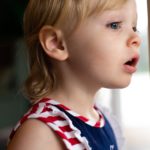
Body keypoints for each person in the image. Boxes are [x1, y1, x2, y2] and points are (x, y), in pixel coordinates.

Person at [7, 0, 141, 149]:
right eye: (114, 25)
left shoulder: (104, 120)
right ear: (57, 43)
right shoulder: (40, 134)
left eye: (134, 28)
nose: (136, 38)